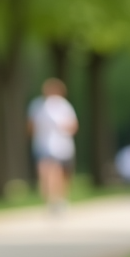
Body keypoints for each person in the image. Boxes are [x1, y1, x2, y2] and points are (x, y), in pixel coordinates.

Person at [27, 77, 78, 214]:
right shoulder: (37, 105)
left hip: (63, 146)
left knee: (62, 175)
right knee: (47, 172)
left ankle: (60, 198)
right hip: (43, 145)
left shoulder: (64, 106)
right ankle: (51, 200)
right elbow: (31, 126)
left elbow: (73, 126)